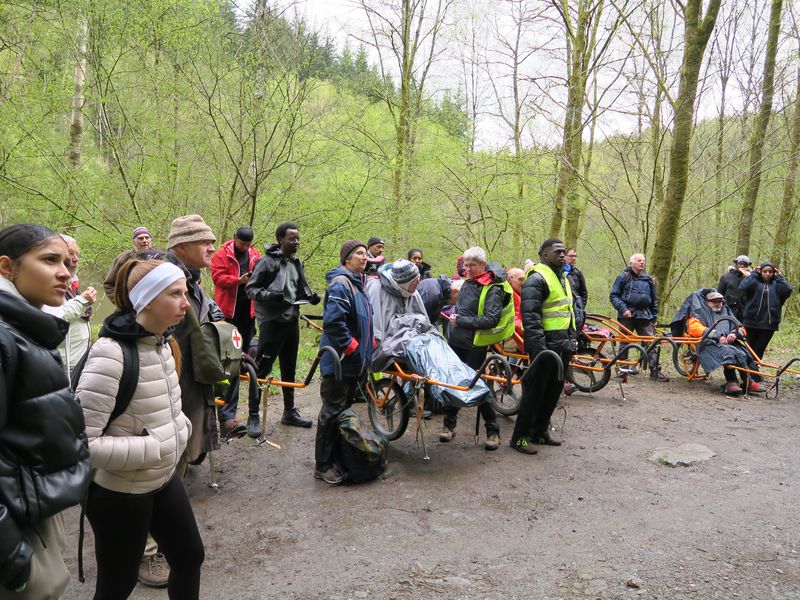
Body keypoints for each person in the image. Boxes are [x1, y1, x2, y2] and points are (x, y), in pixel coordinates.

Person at [76, 259, 204, 599]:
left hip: (161, 479)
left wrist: (181, 427)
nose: (185, 302)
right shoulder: (110, 355)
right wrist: (155, 448)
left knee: (190, 557)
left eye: (186, 292)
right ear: (146, 300)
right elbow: (81, 445)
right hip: (119, 493)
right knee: (118, 584)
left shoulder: (163, 344)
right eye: (174, 293)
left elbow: (163, 411)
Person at [0, 224, 91, 599]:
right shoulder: (5, 337)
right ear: (7, 267)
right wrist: (10, 557)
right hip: (13, 523)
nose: (65, 273)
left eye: (67, 263)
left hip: (30, 507)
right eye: (49, 260)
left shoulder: (26, 328)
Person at [246, 222, 320, 434]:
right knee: (262, 368)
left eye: (297, 238)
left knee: (289, 368)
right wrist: (270, 296)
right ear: (280, 239)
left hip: (291, 321)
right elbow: (251, 289)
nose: (296, 242)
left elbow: (299, 290)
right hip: (272, 322)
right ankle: (253, 415)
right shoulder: (266, 262)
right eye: (291, 238)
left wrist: (311, 298)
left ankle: (289, 411)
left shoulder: (297, 263)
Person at [314, 240, 374, 485]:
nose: (365, 257)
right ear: (346, 259)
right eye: (359, 254)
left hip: (352, 363)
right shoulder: (341, 284)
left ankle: (337, 457)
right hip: (339, 361)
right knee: (331, 412)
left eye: (366, 254)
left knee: (341, 411)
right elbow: (334, 322)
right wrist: (351, 346)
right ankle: (323, 465)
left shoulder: (358, 285)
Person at [511, 239, 578, 453]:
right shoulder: (537, 278)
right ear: (544, 254)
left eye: (564, 251)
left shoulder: (564, 278)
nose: (562, 254)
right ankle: (519, 438)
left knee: (553, 392)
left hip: (563, 344)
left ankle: (539, 433)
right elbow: (530, 317)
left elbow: (568, 311)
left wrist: (574, 338)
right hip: (545, 346)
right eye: (557, 251)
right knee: (534, 393)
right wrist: (539, 349)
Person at [166, 215, 222, 462]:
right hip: (171, 380)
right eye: (204, 242)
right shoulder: (167, 280)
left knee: (188, 446)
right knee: (174, 448)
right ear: (181, 247)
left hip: (192, 375)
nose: (212, 248)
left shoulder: (193, 280)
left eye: (212, 242)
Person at [443, 246, 504, 451]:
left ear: (483, 265)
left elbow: (491, 319)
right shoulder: (468, 282)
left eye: (472, 265)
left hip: (475, 344)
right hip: (457, 341)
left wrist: (461, 320)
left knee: (477, 384)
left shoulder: (492, 288)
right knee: (454, 382)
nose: (467, 269)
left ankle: (493, 431)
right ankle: (449, 426)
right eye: (465, 265)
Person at [210, 226, 260, 436]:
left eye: (248, 244)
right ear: (235, 240)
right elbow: (217, 278)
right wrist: (237, 281)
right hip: (228, 309)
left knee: (246, 348)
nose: (245, 247)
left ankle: (243, 379)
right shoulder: (222, 254)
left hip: (248, 309)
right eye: (242, 243)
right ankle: (227, 393)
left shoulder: (255, 254)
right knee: (229, 353)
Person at [673, 289, 765, 395]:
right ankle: (732, 382)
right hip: (706, 343)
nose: (717, 304)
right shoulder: (699, 311)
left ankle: (748, 381)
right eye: (714, 301)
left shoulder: (726, 311)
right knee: (728, 352)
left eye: (719, 301)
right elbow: (694, 328)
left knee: (742, 352)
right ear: (707, 302)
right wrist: (717, 336)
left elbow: (740, 327)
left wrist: (734, 334)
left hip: (728, 343)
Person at [43, 234, 97, 380]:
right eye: (71, 253)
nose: (76, 258)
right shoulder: (48, 283)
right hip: (65, 362)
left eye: (77, 254)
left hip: (78, 358)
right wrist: (81, 301)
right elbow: (54, 316)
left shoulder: (72, 281)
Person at [609, 253, 668, 381]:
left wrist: (654, 317)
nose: (642, 263)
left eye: (643, 261)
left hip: (644, 316)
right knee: (625, 343)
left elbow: (654, 300)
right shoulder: (623, 277)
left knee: (651, 342)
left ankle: (655, 371)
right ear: (632, 263)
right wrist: (623, 309)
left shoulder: (648, 280)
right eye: (639, 260)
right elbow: (614, 296)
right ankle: (623, 370)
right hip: (627, 316)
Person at [366, 259, 427, 353]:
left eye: (419, 279)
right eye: (415, 281)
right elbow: (375, 323)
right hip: (387, 347)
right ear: (405, 283)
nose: (418, 284)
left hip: (413, 344)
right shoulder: (376, 288)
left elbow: (425, 320)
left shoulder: (414, 292)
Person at [739, 261, 793, 360]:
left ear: (774, 273)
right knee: (749, 349)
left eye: (770, 271)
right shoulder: (754, 282)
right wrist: (754, 274)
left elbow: (787, 290)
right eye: (764, 271)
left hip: (769, 324)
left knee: (759, 349)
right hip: (751, 323)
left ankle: (754, 372)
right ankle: (748, 372)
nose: (767, 274)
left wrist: (780, 277)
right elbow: (743, 287)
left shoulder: (777, 284)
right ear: (760, 272)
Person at [103, 227, 153, 305]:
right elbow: (108, 284)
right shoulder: (123, 259)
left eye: (147, 238)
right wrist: (120, 303)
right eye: (140, 238)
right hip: (129, 308)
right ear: (134, 242)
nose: (145, 241)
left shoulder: (159, 258)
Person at [717, 255, 752, 321]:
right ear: (736, 264)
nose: (742, 266)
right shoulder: (726, 277)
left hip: (744, 311)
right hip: (728, 309)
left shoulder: (750, 278)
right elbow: (719, 294)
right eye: (740, 264)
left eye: (745, 264)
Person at [506, 267, 526, 351]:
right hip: (511, 337)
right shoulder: (509, 295)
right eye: (520, 279)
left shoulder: (518, 294)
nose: (523, 282)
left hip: (516, 335)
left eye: (525, 279)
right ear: (510, 279)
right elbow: (515, 322)